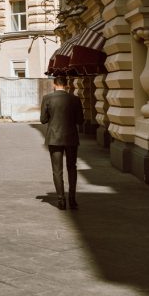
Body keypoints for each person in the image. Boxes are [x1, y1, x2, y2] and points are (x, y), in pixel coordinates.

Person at [40, 76, 83, 210]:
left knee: (57, 170)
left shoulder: (47, 99)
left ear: (54, 84)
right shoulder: (75, 99)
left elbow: (43, 120)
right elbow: (80, 121)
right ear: (67, 85)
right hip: (71, 137)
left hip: (54, 138)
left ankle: (61, 200)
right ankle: (72, 198)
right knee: (72, 167)